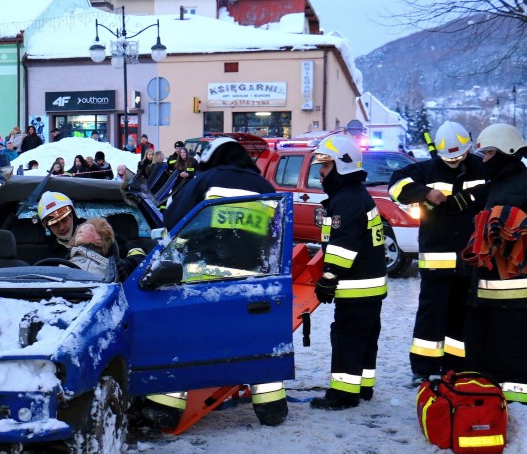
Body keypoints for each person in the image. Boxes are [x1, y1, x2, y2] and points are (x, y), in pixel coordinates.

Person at [148, 137, 288, 428]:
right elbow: (278, 236)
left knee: (184, 343)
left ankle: (164, 411)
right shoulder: (265, 188)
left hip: (204, 278)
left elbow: (174, 221)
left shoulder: (205, 180)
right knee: (258, 343)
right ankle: (272, 410)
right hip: (254, 281)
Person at [461, 123, 527, 405]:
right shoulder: (502, 182)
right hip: (491, 289)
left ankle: (517, 399)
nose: (485, 160)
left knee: (514, 344)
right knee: (484, 342)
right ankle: (487, 394)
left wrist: (520, 233)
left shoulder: (525, 185)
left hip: (514, 291)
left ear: (506, 152)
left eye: (489, 153)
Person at [388, 121, 487, 385]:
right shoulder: (425, 169)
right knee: (431, 317)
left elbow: (495, 189)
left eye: (460, 154)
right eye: (450, 157)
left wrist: (470, 198)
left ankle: (456, 367)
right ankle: (423, 369)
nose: (455, 160)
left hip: (469, 260)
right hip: (436, 262)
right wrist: (424, 193)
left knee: (462, 317)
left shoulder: (481, 167)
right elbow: (395, 186)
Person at [308, 135, 388, 410]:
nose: (321, 172)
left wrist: (329, 277)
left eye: (326, 166)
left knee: (347, 339)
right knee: (365, 338)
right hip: (371, 285)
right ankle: (363, 388)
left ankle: (343, 395)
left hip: (356, 285)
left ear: (342, 166)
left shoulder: (347, 201)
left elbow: (343, 247)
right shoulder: (356, 196)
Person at [37, 192, 146, 279]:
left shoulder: (96, 231)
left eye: (64, 220)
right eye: (54, 224)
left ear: (72, 215)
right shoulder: (47, 255)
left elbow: (137, 250)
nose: (61, 227)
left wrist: (128, 264)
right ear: (47, 227)